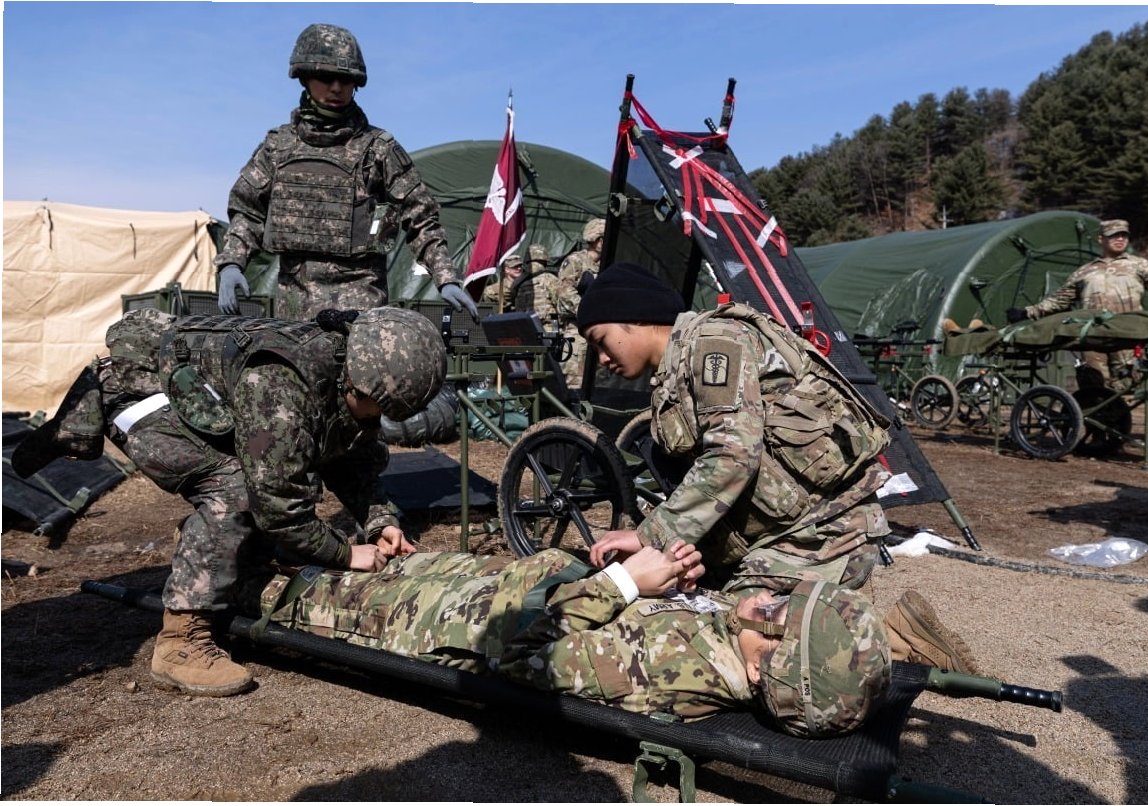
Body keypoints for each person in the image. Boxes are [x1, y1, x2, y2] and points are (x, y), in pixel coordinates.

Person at [12, 306, 447, 697]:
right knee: (233, 487)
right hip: (140, 392)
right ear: (355, 380)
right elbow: (277, 507)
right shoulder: (282, 383)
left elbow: (352, 458)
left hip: (207, 397)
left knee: (269, 466)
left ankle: (215, 555)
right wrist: (345, 553)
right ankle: (181, 641)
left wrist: (380, 522)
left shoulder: (346, 372)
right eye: (379, 408)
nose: (380, 418)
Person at [249, 540, 903, 737]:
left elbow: (516, 654)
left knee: (278, 586)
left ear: (765, 673)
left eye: (778, 614)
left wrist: (622, 582)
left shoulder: (661, 670)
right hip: (488, 585)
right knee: (357, 551)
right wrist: (666, 581)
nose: (766, 601)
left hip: (429, 621)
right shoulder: (733, 638)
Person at [575, 263, 894, 597]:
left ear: (637, 317)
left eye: (601, 341)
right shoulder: (677, 369)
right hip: (782, 532)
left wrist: (650, 537)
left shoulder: (714, 345)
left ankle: (880, 625)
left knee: (731, 622)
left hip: (825, 533)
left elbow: (732, 455)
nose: (602, 359)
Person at [214, 24, 477, 323]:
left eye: (346, 80)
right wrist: (231, 263)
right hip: (294, 313)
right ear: (304, 77)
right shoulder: (278, 147)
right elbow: (248, 211)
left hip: (362, 312)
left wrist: (446, 277)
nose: (337, 88)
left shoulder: (377, 149)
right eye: (326, 78)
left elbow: (421, 216)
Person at [1006, 219, 1148, 391]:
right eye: (1114, 235)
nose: (1120, 239)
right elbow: (1059, 300)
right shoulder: (1085, 271)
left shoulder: (1139, 265)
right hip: (1093, 335)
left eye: (1124, 235)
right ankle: (1096, 421)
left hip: (1127, 334)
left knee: (1127, 382)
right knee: (1093, 384)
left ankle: (1117, 419)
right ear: (1101, 239)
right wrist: (1027, 312)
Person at [553, 218, 606, 387]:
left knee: (598, 381)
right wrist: (588, 311)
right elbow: (565, 292)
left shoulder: (606, 265)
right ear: (597, 240)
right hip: (576, 330)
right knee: (574, 381)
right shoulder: (576, 261)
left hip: (600, 332)